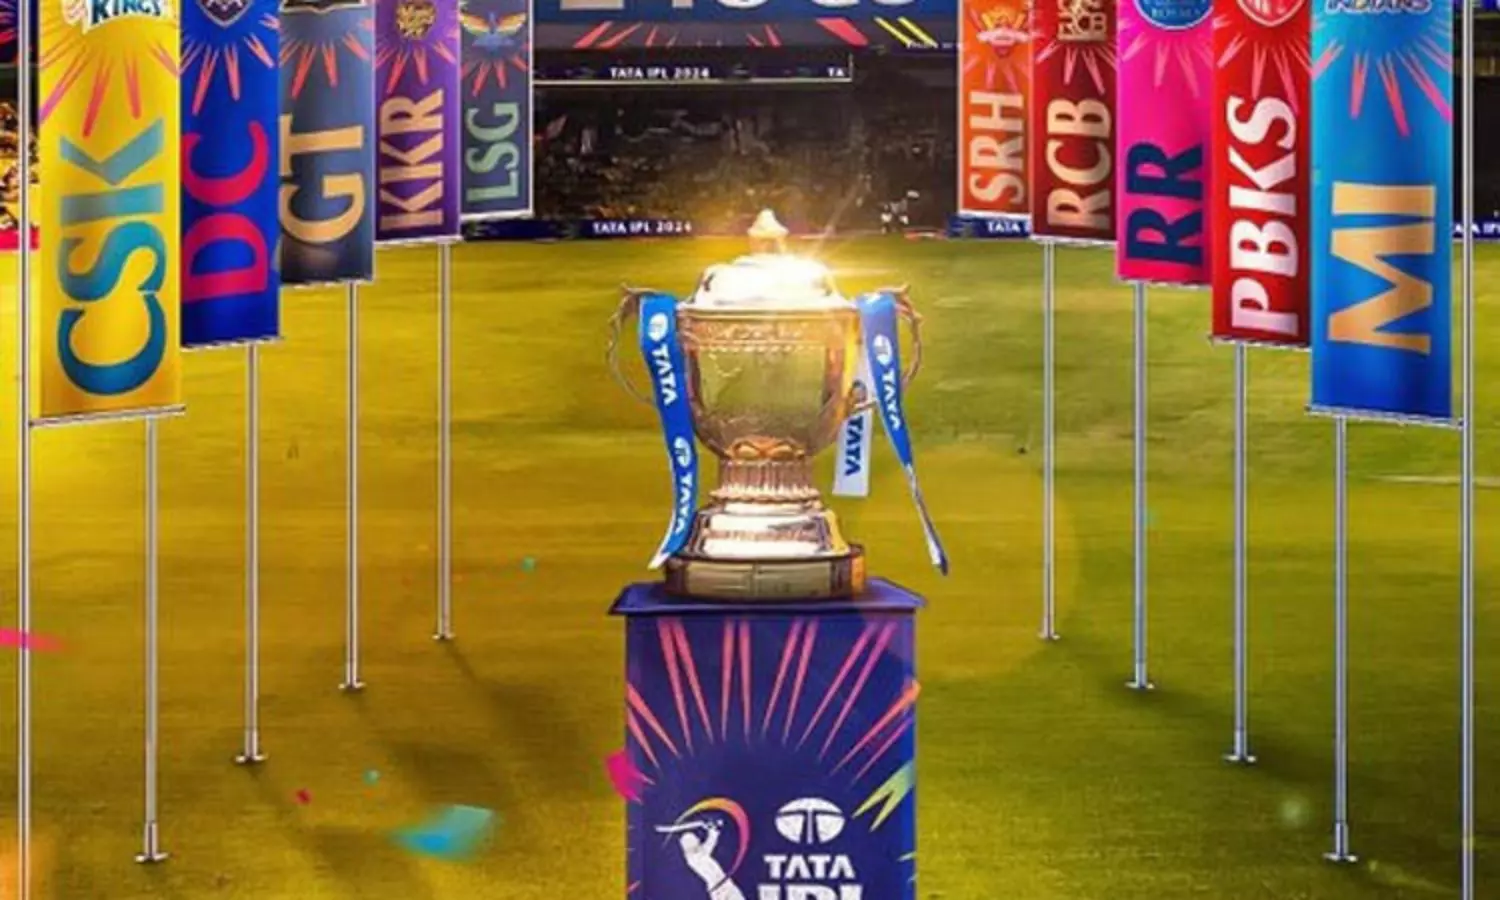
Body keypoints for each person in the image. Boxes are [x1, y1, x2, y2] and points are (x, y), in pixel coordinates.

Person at [674, 819, 746, 900]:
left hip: (725, 884)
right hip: (718, 888)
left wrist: (714, 831)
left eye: (695, 839)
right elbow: (708, 846)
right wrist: (713, 829)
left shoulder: (700, 853)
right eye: (691, 841)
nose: (697, 841)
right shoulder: (693, 858)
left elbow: (709, 844)